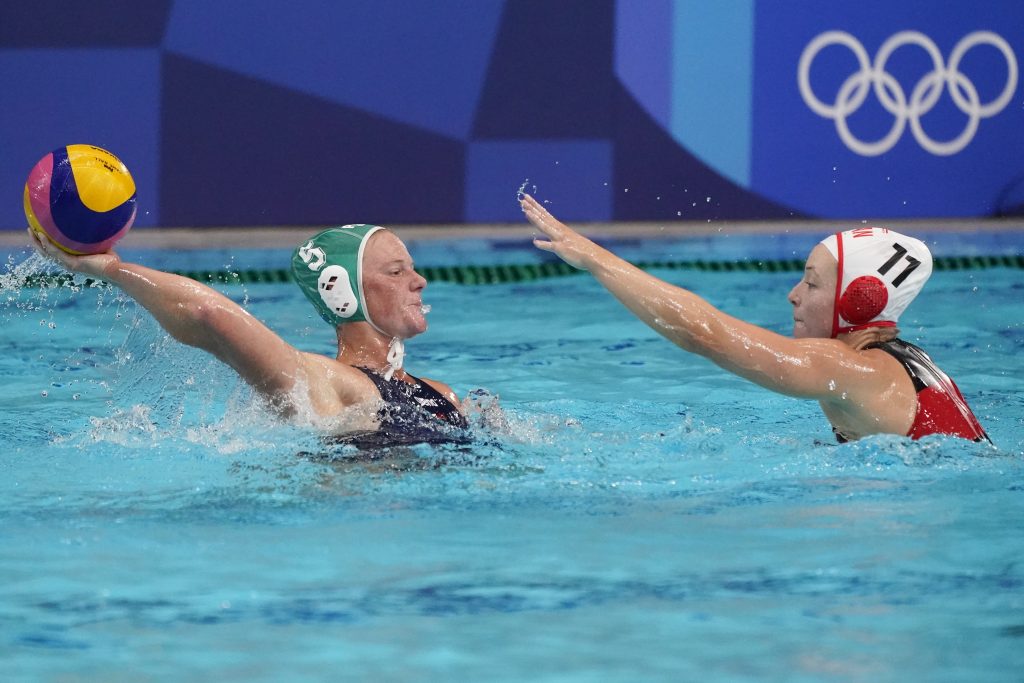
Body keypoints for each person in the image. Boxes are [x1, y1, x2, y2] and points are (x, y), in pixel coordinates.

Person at [520, 194, 989, 443]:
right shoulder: (902, 366)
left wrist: (598, 260)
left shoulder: (857, 369)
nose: (793, 296)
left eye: (811, 282)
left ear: (860, 302)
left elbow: (703, 333)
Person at [29, 224, 469, 447]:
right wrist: (107, 268)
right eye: (396, 272)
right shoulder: (329, 384)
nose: (420, 281)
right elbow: (208, 316)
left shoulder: (442, 395)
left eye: (412, 267)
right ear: (340, 291)